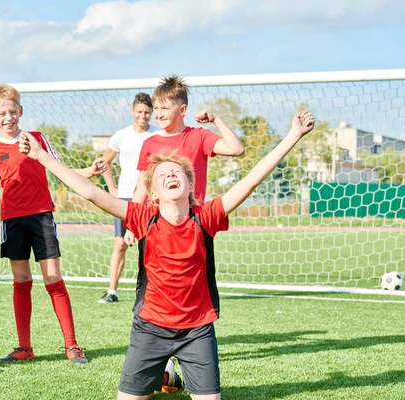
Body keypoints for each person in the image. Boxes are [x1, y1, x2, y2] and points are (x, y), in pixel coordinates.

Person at [18, 110, 315, 399]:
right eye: (163, 174)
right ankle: (164, 373)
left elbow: (251, 179)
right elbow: (91, 192)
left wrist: (294, 135)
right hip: (150, 328)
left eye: (177, 172)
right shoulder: (143, 216)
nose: (171, 173)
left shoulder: (206, 216)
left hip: (197, 331)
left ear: (190, 187)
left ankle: (169, 373)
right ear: (154, 193)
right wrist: (42, 156)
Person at [0, 83, 106, 364]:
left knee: (53, 279)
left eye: (13, 111)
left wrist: (90, 172)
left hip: (41, 217)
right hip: (12, 222)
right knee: (21, 281)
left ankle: (72, 345)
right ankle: (24, 347)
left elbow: (62, 171)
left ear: (20, 111)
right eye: (2, 113)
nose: (8, 117)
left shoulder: (37, 139)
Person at [124, 75, 245, 247]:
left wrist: (216, 120)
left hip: (192, 222)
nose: (158, 114)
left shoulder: (199, 136)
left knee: (197, 273)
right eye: (156, 108)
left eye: (165, 108)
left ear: (182, 110)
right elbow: (142, 187)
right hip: (157, 223)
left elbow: (236, 149)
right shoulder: (149, 144)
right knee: (154, 274)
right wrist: (131, 225)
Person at [98, 92, 160, 304]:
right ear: (133, 112)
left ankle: (154, 292)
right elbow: (104, 162)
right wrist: (112, 188)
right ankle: (112, 291)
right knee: (120, 244)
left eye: (147, 112)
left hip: (150, 199)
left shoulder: (157, 135)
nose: (143, 116)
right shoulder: (121, 136)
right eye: (140, 112)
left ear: (151, 113)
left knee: (151, 245)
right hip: (124, 198)